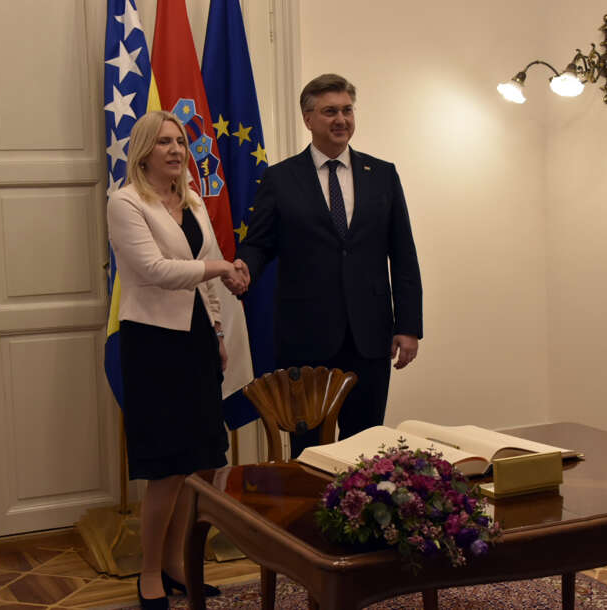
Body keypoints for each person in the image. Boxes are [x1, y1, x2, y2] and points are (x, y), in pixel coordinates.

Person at [229, 73, 423, 458]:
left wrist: (408, 326)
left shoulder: (382, 174)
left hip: (369, 335)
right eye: (330, 111)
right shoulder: (280, 178)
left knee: (367, 445)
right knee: (310, 449)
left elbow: (403, 255)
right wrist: (243, 267)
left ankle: (360, 500)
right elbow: (259, 243)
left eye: (347, 110)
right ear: (308, 119)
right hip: (306, 335)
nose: (341, 120)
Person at [107, 110, 246, 609]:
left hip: (197, 340)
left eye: (181, 142)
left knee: (200, 465)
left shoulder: (193, 200)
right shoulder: (125, 202)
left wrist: (217, 331)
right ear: (143, 151)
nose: (176, 150)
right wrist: (221, 266)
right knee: (166, 469)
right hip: (153, 344)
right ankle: (148, 573)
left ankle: (175, 564)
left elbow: (204, 279)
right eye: (164, 142)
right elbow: (155, 270)